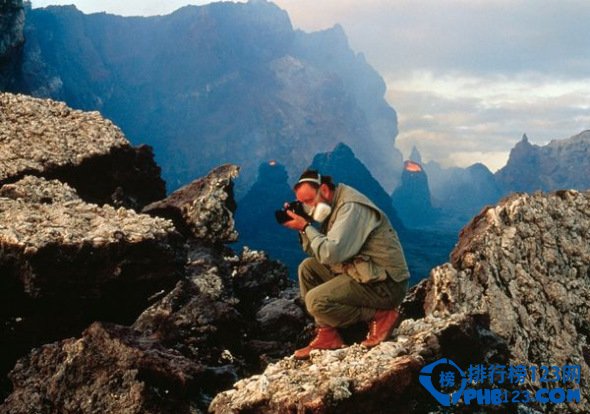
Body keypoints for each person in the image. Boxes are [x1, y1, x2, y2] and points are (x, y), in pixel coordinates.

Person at [282, 169, 410, 359]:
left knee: (316, 301)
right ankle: (328, 334)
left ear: (324, 190)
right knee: (308, 268)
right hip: (363, 273)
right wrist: (304, 228)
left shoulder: (350, 207)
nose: (308, 208)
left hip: (386, 284)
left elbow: (330, 253)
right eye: (303, 204)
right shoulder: (334, 205)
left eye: (309, 201)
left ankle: (381, 315)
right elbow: (317, 253)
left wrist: (306, 227)